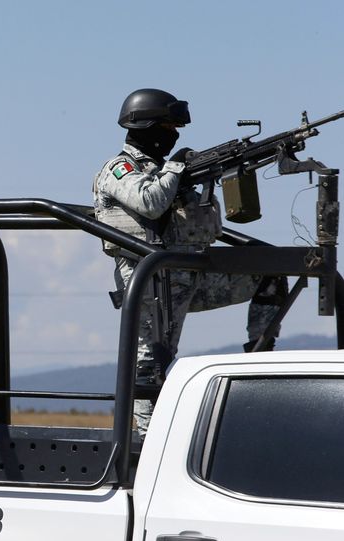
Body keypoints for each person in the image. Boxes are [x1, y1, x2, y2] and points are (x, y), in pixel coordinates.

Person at [92, 88, 287, 436]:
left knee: (270, 276)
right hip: (149, 284)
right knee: (151, 364)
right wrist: (177, 169)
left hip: (190, 279)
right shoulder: (119, 168)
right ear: (146, 126)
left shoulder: (171, 174)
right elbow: (150, 201)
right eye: (168, 127)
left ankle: (259, 366)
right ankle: (143, 442)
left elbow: (208, 228)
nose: (175, 134)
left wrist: (206, 180)